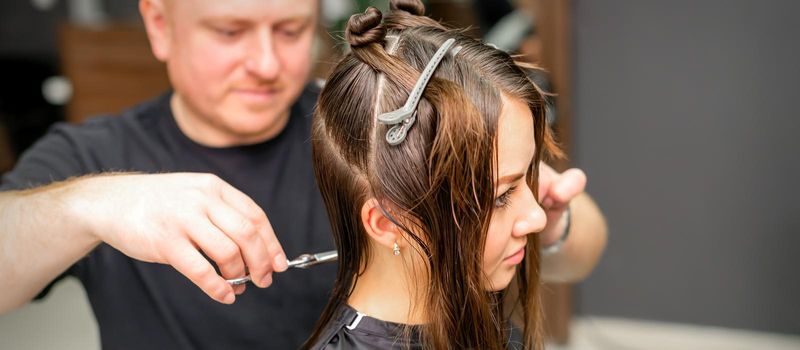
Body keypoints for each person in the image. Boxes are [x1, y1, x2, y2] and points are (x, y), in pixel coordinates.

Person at [0, 0, 606, 348]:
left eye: (289, 30)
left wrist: (537, 217)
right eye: (230, 31)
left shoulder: (380, 130)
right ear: (160, 23)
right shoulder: (90, 158)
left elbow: (581, 249)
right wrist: (87, 206)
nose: (265, 63)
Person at [305, 3, 560, 348]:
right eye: (500, 196)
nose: (537, 218)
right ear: (388, 221)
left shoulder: (477, 320)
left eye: (526, 177)